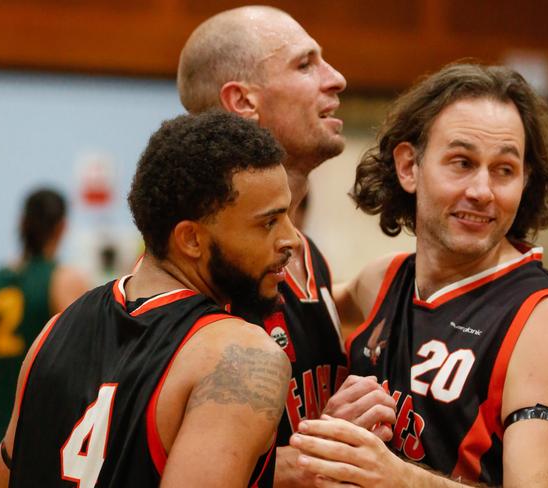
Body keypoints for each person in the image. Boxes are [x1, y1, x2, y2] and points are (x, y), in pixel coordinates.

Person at [290, 63, 548, 487]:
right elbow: (286, 315)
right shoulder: (382, 281)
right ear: (409, 167)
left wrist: (398, 478)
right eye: (462, 162)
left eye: (504, 170)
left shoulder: (545, 323)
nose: (482, 191)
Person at [0, 111, 296, 487]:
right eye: (269, 222)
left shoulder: (53, 332)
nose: (291, 239)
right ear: (191, 239)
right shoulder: (241, 356)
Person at [177, 7, 396, 485]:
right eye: (305, 65)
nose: (336, 79)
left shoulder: (304, 252)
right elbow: (155, 455)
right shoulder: (203, 264)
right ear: (243, 101)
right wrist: (322, 449)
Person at [0, 187, 88, 475]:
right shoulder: (63, 280)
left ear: (21, 224)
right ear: (62, 227)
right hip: (48, 451)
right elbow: (89, 372)